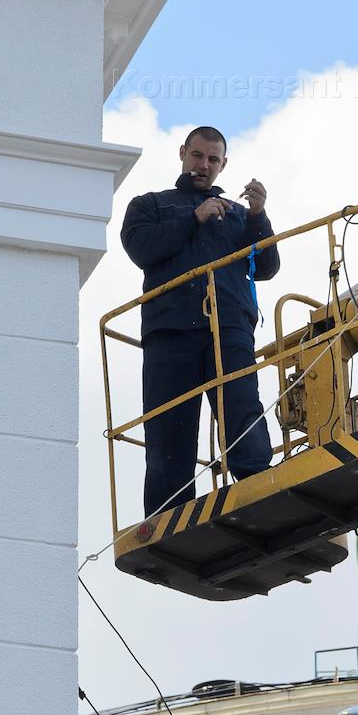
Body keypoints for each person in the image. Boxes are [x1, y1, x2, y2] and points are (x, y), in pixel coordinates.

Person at [121, 126, 280, 518]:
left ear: (223, 165)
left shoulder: (240, 215)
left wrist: (259, 216)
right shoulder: (151, 204)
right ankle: (167, 517)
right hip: (171, 330)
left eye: (212, 160)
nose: (203, 165)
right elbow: (141, 248)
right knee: (169, 424)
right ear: (182, 153)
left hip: (228, 326)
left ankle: (259, 488)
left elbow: (268, 267)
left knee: (242, 406)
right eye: (197, 156)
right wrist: (195, 217)